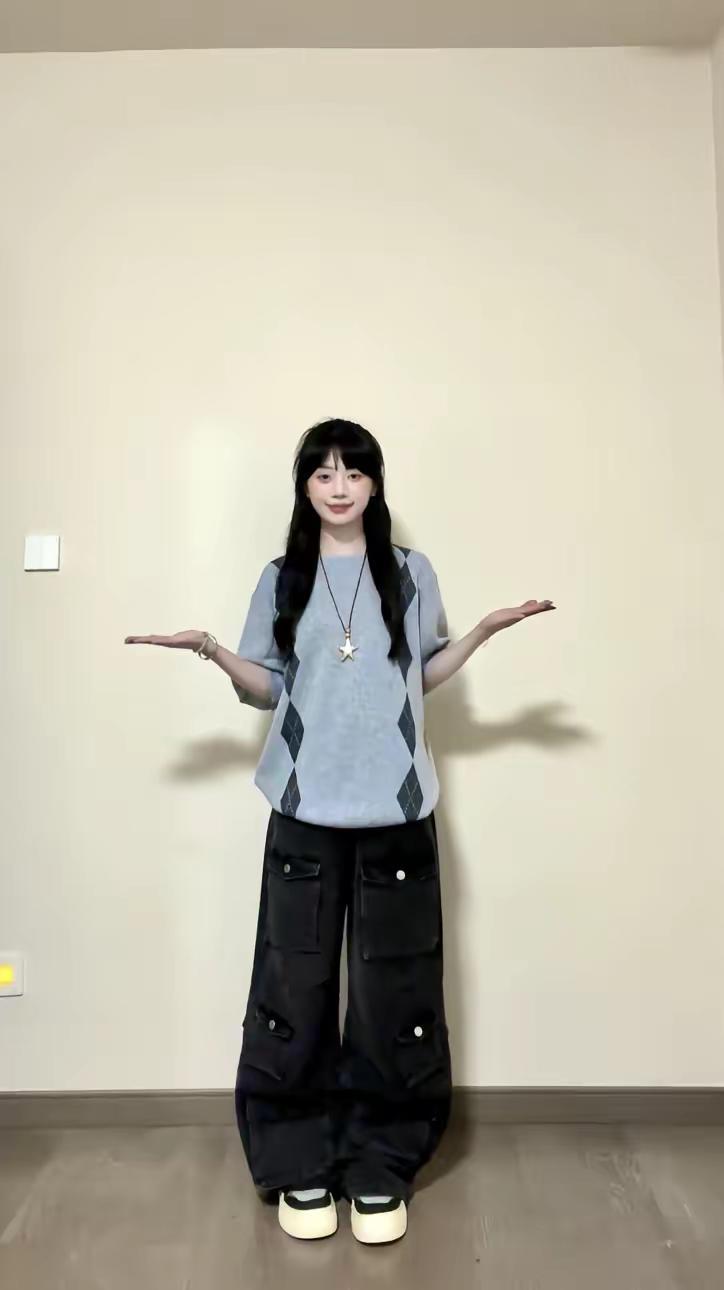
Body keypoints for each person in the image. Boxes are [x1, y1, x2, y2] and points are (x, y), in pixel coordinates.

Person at [125, 417, 555, 1244]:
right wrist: (208, 647)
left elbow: (419, 675)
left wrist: (481, 632)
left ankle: (381, 1164)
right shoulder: (281, 577)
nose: (339, 486)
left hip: (397, 813)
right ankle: (298, 1162)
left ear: (374, 483)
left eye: (353, 472)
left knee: (395, 992)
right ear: (305, 486)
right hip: (303, 814)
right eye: (322, 473)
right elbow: (266, 688)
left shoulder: (410, 572)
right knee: (295, 991)